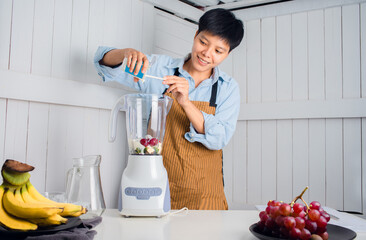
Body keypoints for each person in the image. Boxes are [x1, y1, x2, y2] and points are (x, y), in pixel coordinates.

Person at [94, 8, 244, 210]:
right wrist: (125, 54)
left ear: (228, 54)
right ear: (195, 35)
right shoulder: (159, 69)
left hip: (206, 197)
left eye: (218, 51)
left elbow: (219, 138)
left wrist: (186, 103)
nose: (206, 54)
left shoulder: (228, 88)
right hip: (156, 187)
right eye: (203, 42)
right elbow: (102, 63)